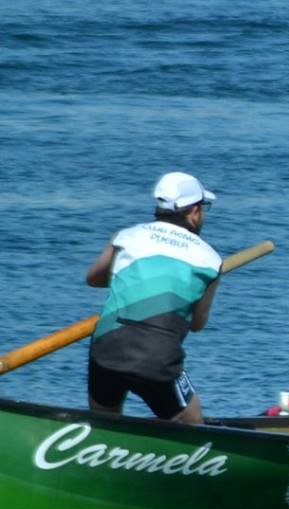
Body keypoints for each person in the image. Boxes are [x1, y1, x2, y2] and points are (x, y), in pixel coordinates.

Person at [83, 171, 224, 423]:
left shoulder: (125, 237)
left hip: (106, 348)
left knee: (104, 421)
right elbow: (198, 324)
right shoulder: (211, 260)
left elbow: (93, 278)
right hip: (158, 358)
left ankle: (98, 449)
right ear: (193, 212)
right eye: (203, 208)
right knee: (193, 425)